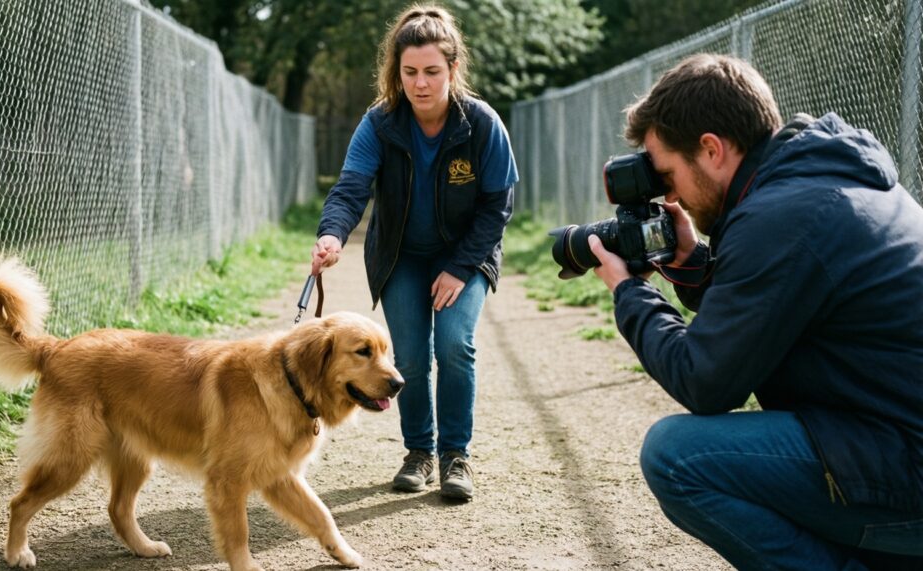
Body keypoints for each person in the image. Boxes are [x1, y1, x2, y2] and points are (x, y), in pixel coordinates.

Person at [587, 53, 923, 569]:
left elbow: (704, 381)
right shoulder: (820, 182)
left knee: (677, 456)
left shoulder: (781, 217)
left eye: (668, 174)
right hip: (893, 442)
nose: (668, 194)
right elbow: (766, 312)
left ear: (711, 149)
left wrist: (629, 292)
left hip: (905, 469)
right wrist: (692, 263)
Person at [310, 4, 517, 501]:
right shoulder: (380, 123)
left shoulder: (482, 124)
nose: (420, 83)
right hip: (401, 255)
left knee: (454, 345)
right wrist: (332, 235)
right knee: (410, 357)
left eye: (432, 71)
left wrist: (460, 267)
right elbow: (351, 189)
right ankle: (419, 452)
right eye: (409, 72)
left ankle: (455, 455)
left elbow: (497, 206)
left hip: (464, 256)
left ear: (453, 69)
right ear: (396, 72)